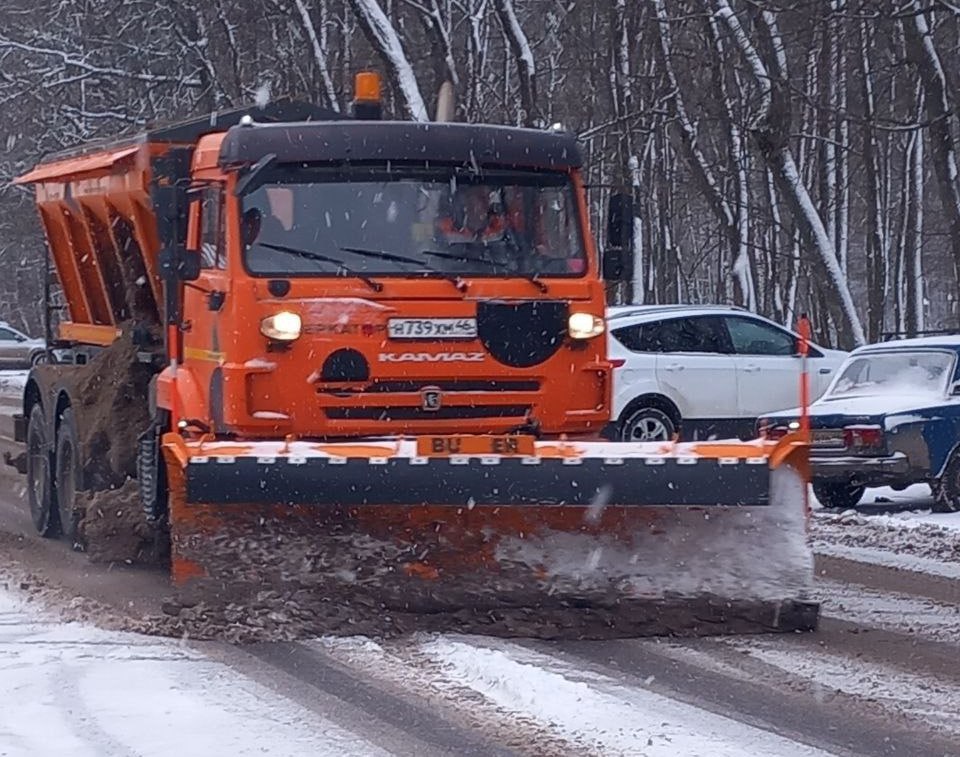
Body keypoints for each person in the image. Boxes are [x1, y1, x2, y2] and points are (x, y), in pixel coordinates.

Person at [436, 184, 508, 245]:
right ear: (467, 201)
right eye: (481, 198)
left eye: (489, 197)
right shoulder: (449, 229)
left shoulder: (499, 228)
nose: (486, 202)